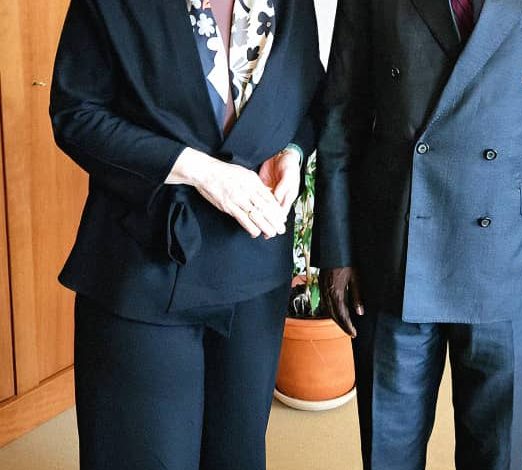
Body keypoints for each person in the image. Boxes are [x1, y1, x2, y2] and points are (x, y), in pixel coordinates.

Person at [313, 0, 522, 469]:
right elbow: (341, 114)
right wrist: (337, 249)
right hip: (395, 249)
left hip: (511, 255)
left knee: (497, 456)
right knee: (388, 453)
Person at [50, 0, 323, 468]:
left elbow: (308, 90)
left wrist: (294, 154)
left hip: (254, 269)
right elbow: (76, 114)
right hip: (146, 263)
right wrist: (199, 171)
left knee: (237, 453)